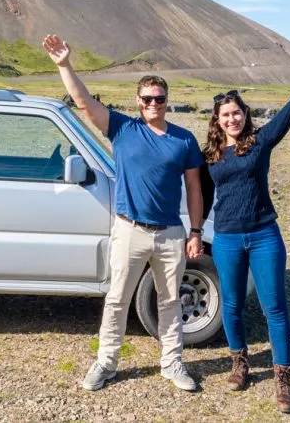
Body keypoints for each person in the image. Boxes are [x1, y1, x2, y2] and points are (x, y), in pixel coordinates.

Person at [42, 34, 205, 392]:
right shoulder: (123, 128)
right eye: (147, 99)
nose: (153, 104)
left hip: (169, 233)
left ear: (167, 102)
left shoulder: (184, 140)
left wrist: (195, 231)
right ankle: (105, 363)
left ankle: (172, 363)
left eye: (159, 99)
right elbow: (84, 102)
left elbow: (194, 187)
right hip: (129, 228)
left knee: (170, 300)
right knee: (117, 299)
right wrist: (64, 65)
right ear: (138, 101)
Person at [203, 45, 290, 413]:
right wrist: (191, 234)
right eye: (225, 115)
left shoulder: (260, 142)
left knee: (274, 308)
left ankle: (283, 379)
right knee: (231, 306)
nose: (231, 119)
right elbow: (200, 199)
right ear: (216, 120)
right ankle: (240, 364)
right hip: (227, 238)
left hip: (265, 235)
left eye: (236, 113)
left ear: (244, 115)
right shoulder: (211, 156)